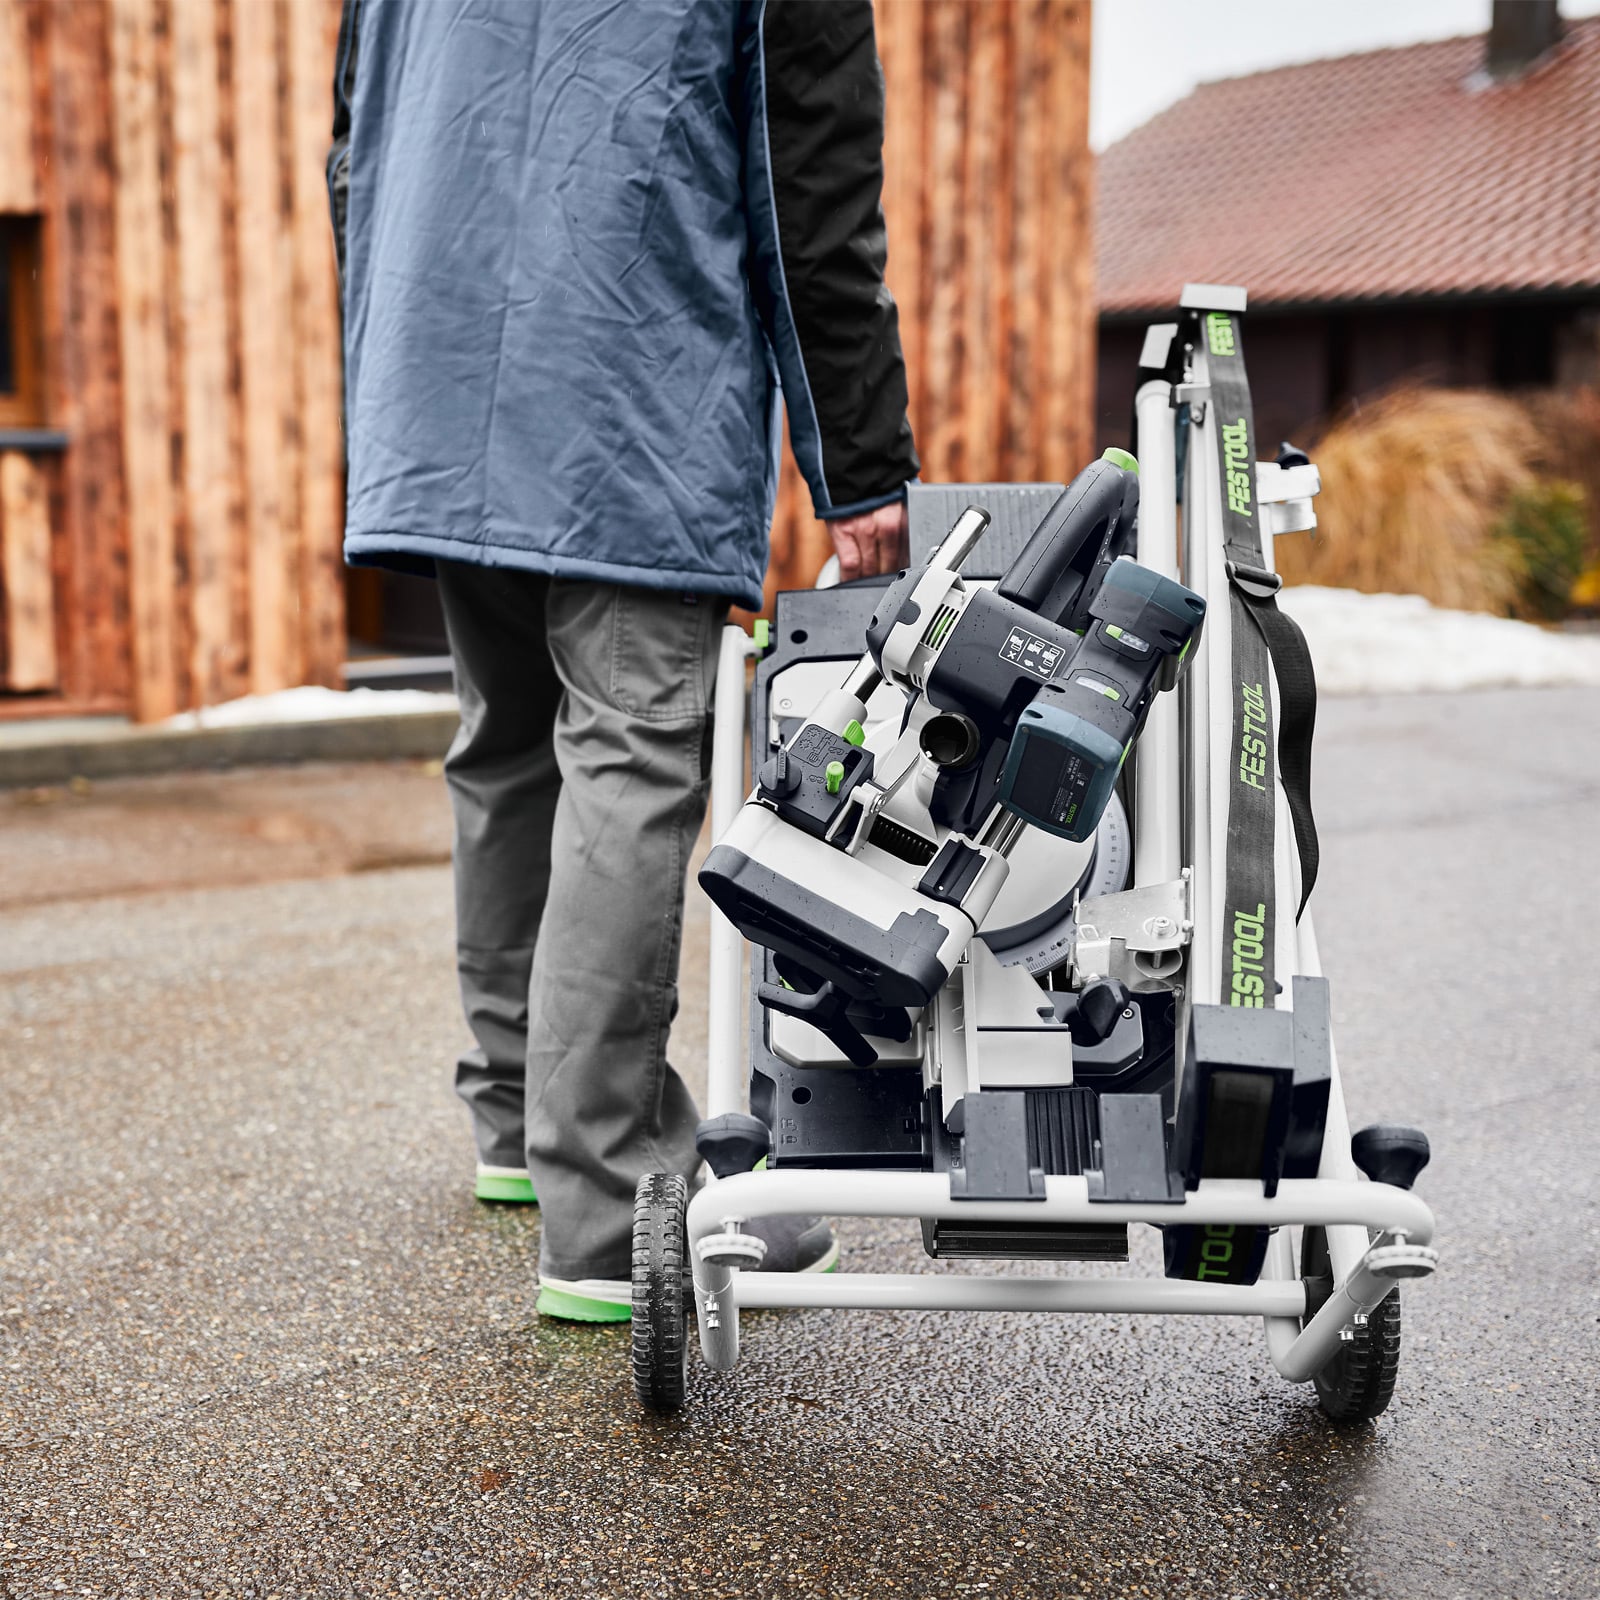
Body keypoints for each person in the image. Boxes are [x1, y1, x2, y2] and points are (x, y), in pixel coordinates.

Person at [330, 0, 919, 1321]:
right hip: (630, 384)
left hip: (433, 368)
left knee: (505, 747)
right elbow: (809, 175)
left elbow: (352, 152)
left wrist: (386, 380)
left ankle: (515, 1119)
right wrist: (860, 456)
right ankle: (610, 1199)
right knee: (628, 760)